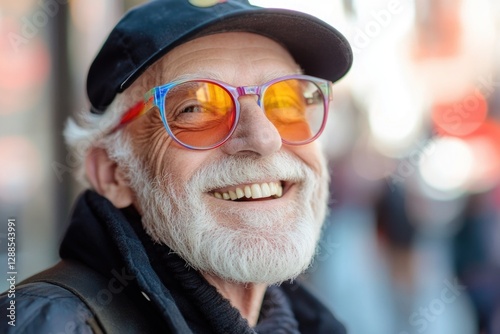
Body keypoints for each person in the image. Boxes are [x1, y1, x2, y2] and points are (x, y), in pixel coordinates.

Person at [0, 0, 352, 332]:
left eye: (286, 100)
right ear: (112, 172)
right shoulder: (45, 323)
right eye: (195, 108)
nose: (264, 139)